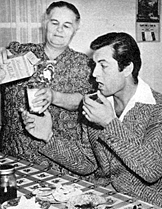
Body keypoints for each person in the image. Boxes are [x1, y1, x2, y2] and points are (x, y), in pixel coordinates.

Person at [21, 32, 162, 207]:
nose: (94, 74)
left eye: (103, 66)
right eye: (94, 65)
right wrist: (48, 136)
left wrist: (110, 123)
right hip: (101, 197)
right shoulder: (95, 102)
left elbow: (152, 170)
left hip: (145, 202)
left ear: (127, 69)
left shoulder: (157, 109)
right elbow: (87, 163)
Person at [0, 1, 95, 172]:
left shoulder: (85, 64)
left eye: (67, 25)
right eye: (54, 23)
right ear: (45, 23)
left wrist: (54, 97)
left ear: (76, 28)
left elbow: (86, 101)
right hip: (13, 152)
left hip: (55, 158)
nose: (59, 30)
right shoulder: (20, 52)